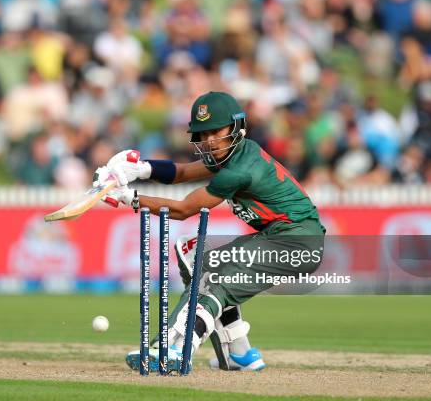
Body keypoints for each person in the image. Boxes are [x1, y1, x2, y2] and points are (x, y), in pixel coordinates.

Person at [95, 91, 326, 373]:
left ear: (236, 128)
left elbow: (181, 210)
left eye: (216, 131)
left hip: (296, 241)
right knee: (192, 255)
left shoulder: (240, 168)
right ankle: (240, 354)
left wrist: (127, 197)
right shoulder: (231, 154)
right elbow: (179, 173)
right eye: (203, 134)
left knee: (213, 275)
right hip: (279, 236)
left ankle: (176, 347)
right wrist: (139, 169)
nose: (209, 141)